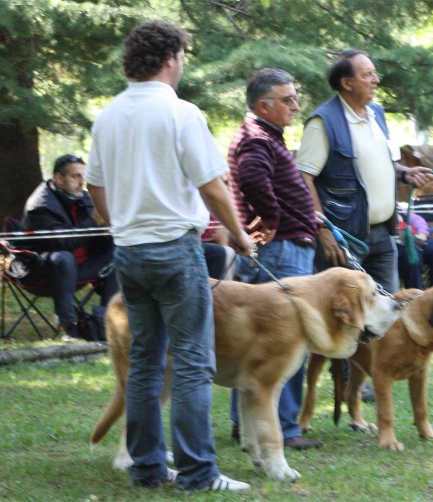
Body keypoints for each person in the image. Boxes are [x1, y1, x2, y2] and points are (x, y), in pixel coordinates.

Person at [86, 20, 252, 492]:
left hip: (130, 249)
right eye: (182, 55)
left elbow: (97, 184)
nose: (182, 64)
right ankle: (200, 473)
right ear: (170, 57)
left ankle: (147, 468)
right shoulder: (182, 113)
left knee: (145, 362)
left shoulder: (108, 115)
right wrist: (238, 234)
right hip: (175, 249)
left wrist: (115, 220)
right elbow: (212, 185)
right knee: (194, 363)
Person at [226, 68, 321, 450]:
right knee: (284, 341)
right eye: (288, 99)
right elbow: (251, 178)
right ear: (264, 105)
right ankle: (284, 426)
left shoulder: (263, 136)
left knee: (254, 344)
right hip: (280, 250)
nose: (296, 106)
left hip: (279, 246)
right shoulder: (257, 139)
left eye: (296, 98)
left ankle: (246, 424)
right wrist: (274, 221)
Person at [296, 49, 433, 293]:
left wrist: (404, 173)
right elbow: (303, 178)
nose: (376, 80)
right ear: (347, 83)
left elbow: (380, 160)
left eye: (375, 73)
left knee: (387, 312)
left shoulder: (377, 113)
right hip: (344, 238)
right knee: (347, 315)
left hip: (384, 233)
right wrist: (323, 229)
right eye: (368, 75)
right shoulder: (322, 122)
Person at [18, 154, 118, 339]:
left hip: (79, 268)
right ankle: (67, 326)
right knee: (63, 258)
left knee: (119, 253)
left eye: (84, 176)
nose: (82, 182)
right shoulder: (41, 205)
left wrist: (108, 228)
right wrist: (94, 221)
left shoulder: (84, 198)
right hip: (41, 272)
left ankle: (108, 321)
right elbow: (62, 243)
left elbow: (95, 235)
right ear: (58, 178)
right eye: (76, 176)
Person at [396, 207, 433, 290]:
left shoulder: (392, 200)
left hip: (415, 239)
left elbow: (416, 219)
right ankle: (417, 295)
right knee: (409, 250)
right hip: (392, 243)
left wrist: (422, 233)